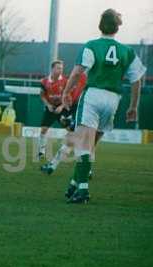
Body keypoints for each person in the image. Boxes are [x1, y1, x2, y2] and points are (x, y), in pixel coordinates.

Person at [62, 9, 146, 204]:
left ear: (100, 25)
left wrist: (67, 91)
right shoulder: (128, 51)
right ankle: (75, 182)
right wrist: (133, 106)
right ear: (117, 27)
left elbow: (77, 72)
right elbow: (137, 80)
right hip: (113, 99)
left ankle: (82, 190)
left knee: (83, 142)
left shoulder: (92, 45)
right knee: (91, 143)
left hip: (93, 95)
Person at [41, 72, 88, 175]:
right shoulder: (84, 78)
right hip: (91, 110)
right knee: (79, 142)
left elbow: (73, 97)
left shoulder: (81, 77)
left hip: (86, 111)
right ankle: (53, 165)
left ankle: (53, 165)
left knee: (72, 140)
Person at [37, 60, 68, 159]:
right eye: (58, 68)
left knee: (70, 129)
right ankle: (41, 150)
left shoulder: (65, 81)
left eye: (61, 68)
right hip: (50, 108)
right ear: (52, 69)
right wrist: (48, 105)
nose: (60, 70)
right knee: (43, 129)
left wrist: (61, 106)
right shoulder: (44, 81)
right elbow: (42, 95)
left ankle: (69, 150)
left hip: (62, 107)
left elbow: (68, 96)